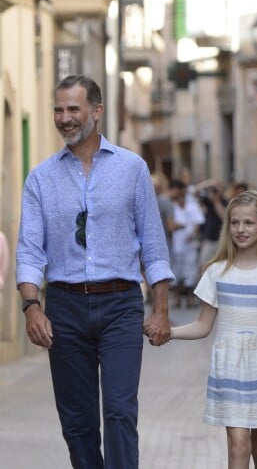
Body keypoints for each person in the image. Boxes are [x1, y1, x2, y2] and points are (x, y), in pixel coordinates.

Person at [16, 75, 174, 469]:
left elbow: (153, 245)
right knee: (78, 424)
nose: (64, 118)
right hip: (65, 308)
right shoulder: (40, 178)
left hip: (121, 305)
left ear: (96, 112)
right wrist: (32, 306)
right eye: (58, 109)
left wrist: (161, 309)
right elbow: (30, 250)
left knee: (120, 412)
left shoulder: (132, 169)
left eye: (73, 109)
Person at [166, 190, 257, 469]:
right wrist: (170, 332)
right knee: (239, 447)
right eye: (235, 222)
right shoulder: (216, 272)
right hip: (230, 371)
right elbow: (203, 325)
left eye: (248, 223)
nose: (241, 229)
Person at [168, 178, 205, 309]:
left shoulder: (192, 205)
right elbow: (170, 225)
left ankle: (190, 299)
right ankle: (177, 299)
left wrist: (192, 234)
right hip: (175, 245)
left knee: (190, 272)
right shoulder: (171, 206)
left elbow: (198, 222)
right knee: (175, 273)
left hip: (190, 245)